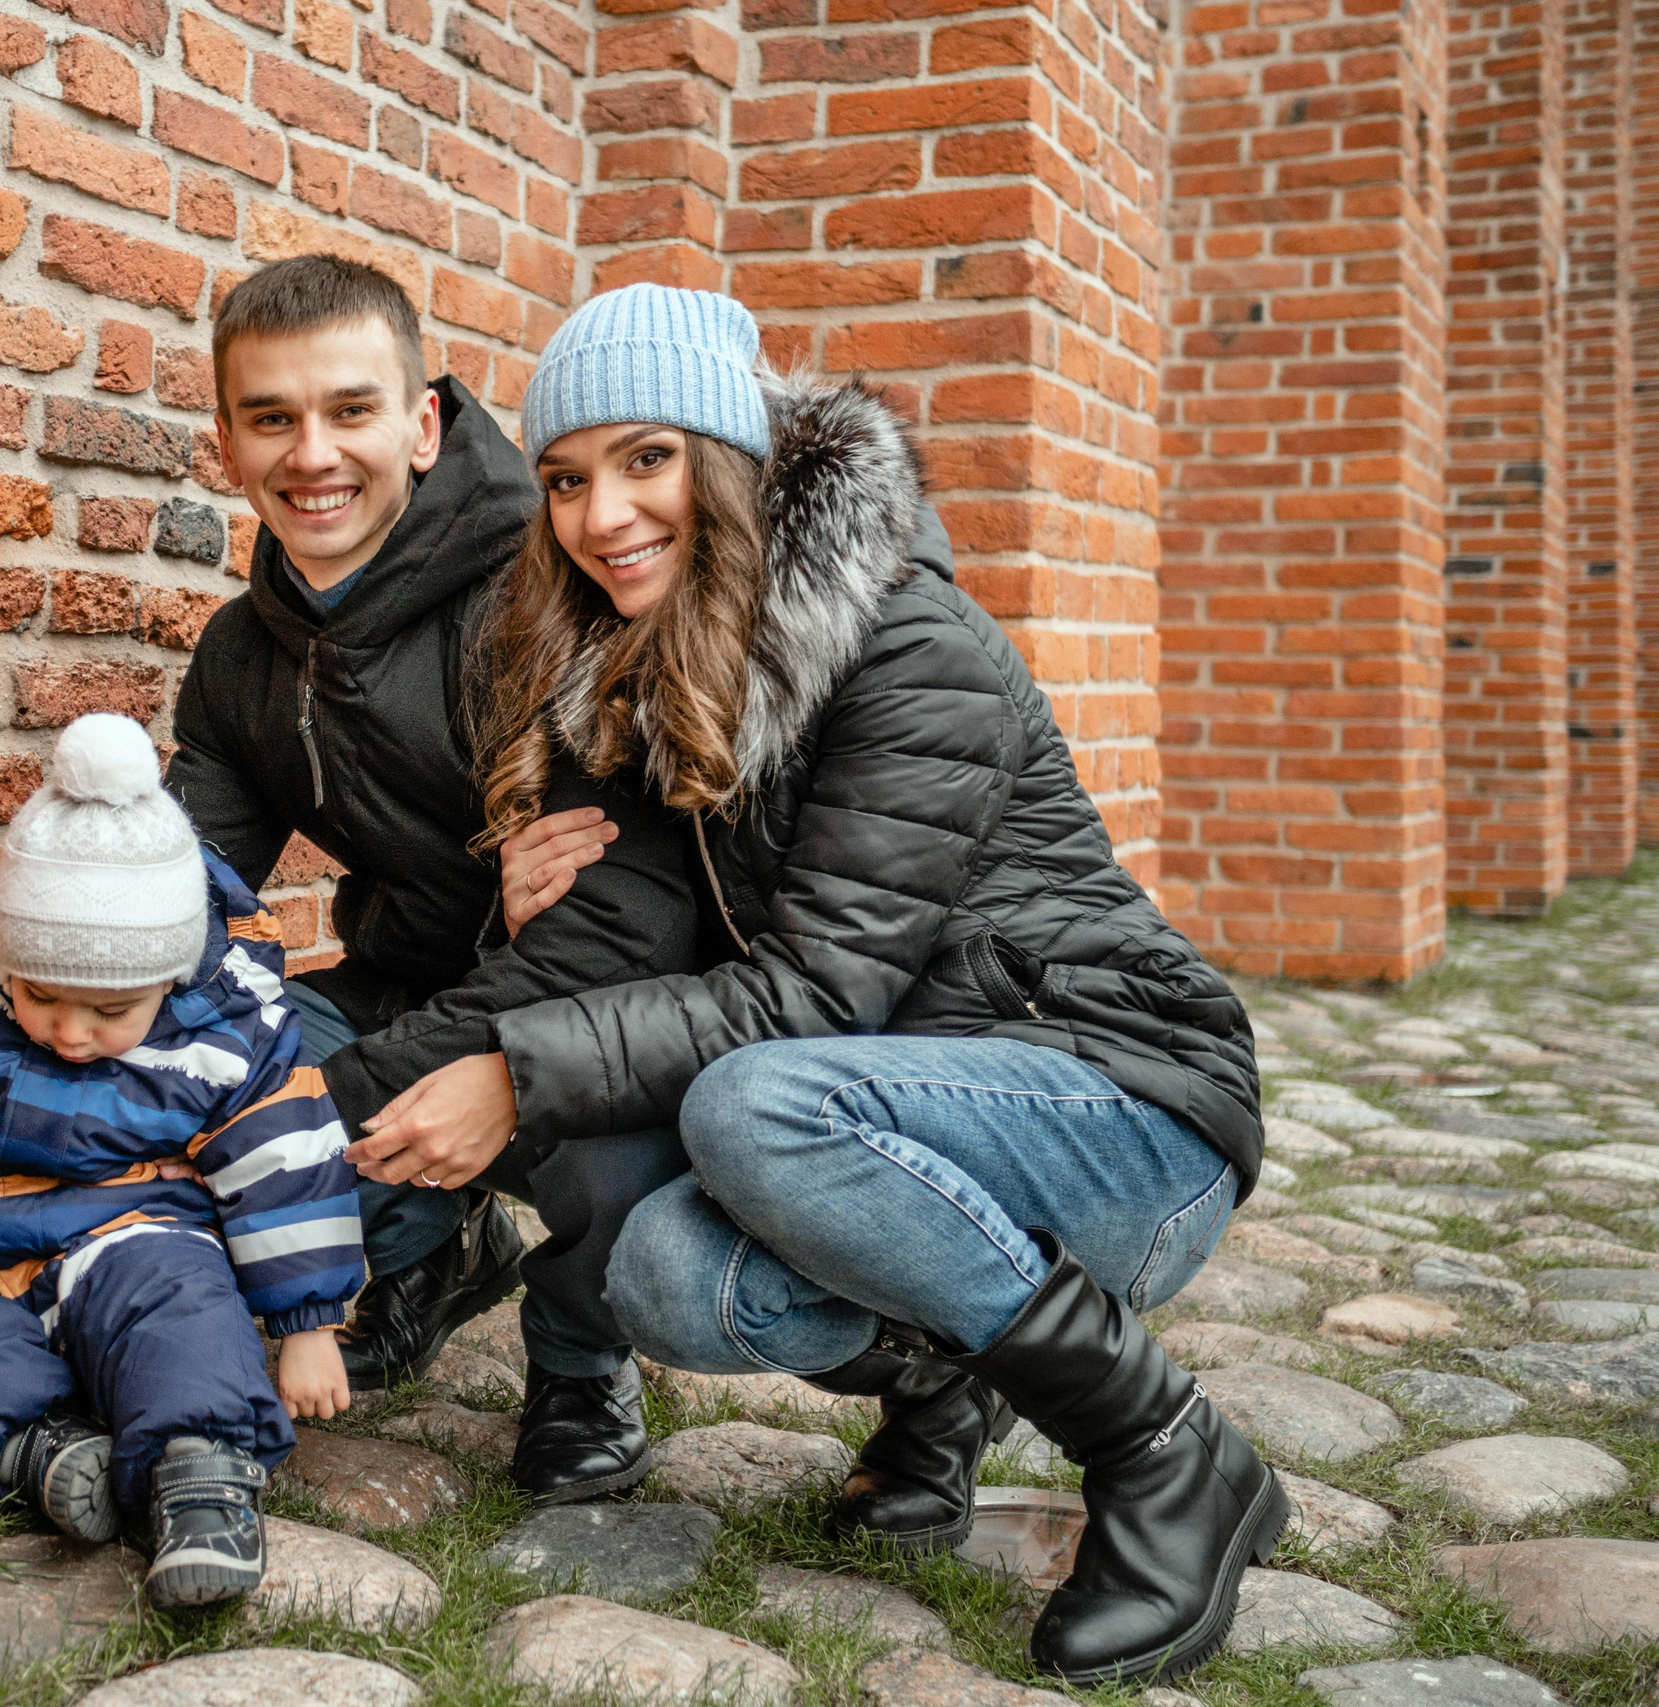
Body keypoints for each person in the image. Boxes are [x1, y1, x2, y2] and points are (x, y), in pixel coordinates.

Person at [358, 284, 1279, 1686]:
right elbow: (611, 961)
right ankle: (942, 1387)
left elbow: (815, 998)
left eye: (647, 458)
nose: (602, 513)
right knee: (665, 1267)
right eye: (565, 478)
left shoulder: (912, 648)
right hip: (903, 1132)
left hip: (1121, 1108)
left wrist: (514, 1075)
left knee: (749, 1105)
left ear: (737, 458)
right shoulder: (652, 673)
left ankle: (1167, 1447)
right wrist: (305, 1109)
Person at [165, 255, 706, 1503]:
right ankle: (433, 1252)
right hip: (409, 978)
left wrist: (318, 1120)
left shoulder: (542, 600)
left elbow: (623, 932)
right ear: (227, 445)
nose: (313, 454)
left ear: (419, 426)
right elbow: (177, 901)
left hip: (596, 1003)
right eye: (272, 418)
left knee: (586, 1121)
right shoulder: (243, 655)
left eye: (350, 410)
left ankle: (579, 1358)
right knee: (203, 1055)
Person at [0, 714, 362, 1609]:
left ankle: (201, 1472)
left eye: (111, 1012)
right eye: (39, 996)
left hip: (134, 1229)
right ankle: (38, 1451)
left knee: (185, 1311)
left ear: (169, 976)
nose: (71, 1031)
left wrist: (309, 1322)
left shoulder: (227, 1028)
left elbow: (287, 1157)